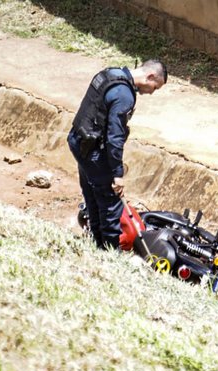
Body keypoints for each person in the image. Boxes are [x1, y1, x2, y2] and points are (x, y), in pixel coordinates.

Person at [68, 59, 167, 249]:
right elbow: (115, 137)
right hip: (93, 150)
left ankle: (95, 243)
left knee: (92, 194)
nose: (152, 92)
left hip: (78, 140)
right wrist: (117, 174)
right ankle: (109, 250)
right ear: (150, 76)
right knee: (110, 202)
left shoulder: (110, 74)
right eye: (155, 87)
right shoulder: (125, 95)